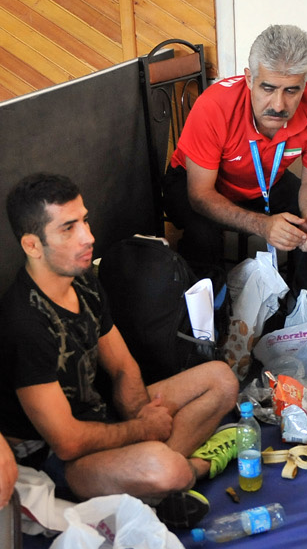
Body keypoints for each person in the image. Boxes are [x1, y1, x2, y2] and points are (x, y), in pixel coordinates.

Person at [0, 173, 240, 527]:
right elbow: (66, 442)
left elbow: (124, 367)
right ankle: (195, 468)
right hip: (62, 462)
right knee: (168, 468)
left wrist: (142, 415)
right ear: (32, 246)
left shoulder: (82, 281)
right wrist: (142, 431)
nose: (88, 237)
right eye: (68, 228)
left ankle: (145, 484)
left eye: (84, 220)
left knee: (221, 379)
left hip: (102, 418)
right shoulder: (24, 324)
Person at [163, 24, 307, 308]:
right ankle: (209, 322)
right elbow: (200, 195)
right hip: (196, 183)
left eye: (291, 90)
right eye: (268, 88)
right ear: (249, 79)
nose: (278, 105)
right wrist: (263, 225)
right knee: (203, 234)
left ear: (304, 85)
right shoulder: (214, 105)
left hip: (264, 179)